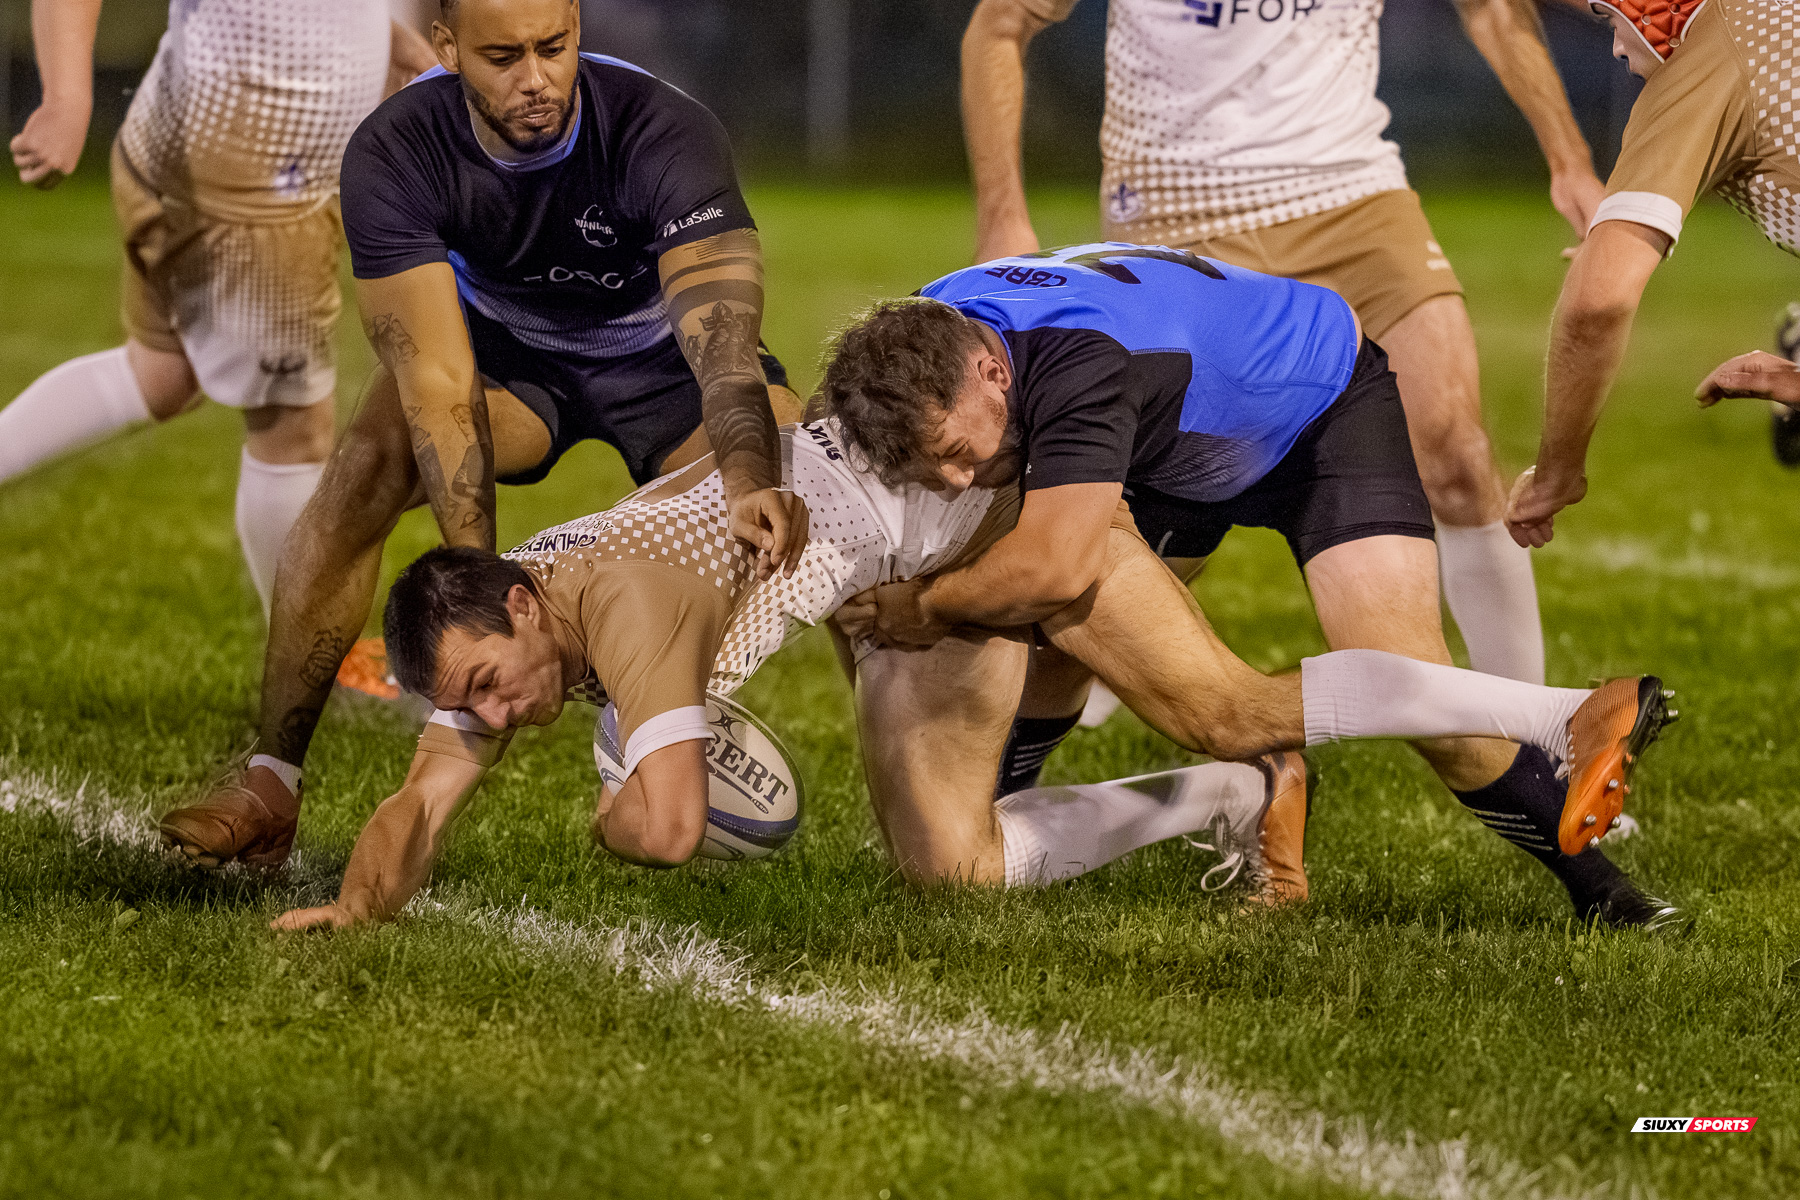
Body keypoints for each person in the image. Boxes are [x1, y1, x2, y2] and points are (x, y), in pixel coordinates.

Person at [272, 418, 1659, 931]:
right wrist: (355, 900)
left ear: (526, 599)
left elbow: (673, 829)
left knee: (1227, 688)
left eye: (498, 682)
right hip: (889, 571)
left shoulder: (619, 610)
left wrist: (612, 786)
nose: (493, 712)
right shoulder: (519, 622)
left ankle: (1557, 709)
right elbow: (424, 798)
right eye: (475, 701)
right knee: (950, 866)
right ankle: (1238, 799)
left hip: (990, 520)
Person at [819, 247, 1684, 930]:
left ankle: (1606, 883)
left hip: (1321, 408)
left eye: (962, 452)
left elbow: (1053, 564)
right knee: (1054, 641)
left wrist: (920, 608)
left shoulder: (1076, 367)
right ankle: (992, 835)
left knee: (1393, 675)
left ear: (991, 375)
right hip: (1181, 438)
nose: (956, 478)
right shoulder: (919, 343)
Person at [157, 0, 806, 870]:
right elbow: (437, 387)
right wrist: (489, 610)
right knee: (367, 461)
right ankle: (270, 780)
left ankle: (969, 795)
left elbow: (722, 346)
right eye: (503, 56)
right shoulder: (396, 151)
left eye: (554, 47)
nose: (535, 79)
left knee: (819, 486)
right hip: (507, 362)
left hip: (666, 367)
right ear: (448, 48)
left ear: (577, 26)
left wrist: (753, 472)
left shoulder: (662, 128)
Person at [961, 0, 1605, 697]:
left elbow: (1493, 10)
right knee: (1147, 513)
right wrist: (1003, 216)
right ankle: (1085, 674)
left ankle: (1539, 741)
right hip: (1179, 211)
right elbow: (999, 25)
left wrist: (1570, 160)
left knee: (1455, 450)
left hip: (1353, 194)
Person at [2, 0, 434, 616]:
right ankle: (307, 661)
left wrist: (369, 36)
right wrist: (67, 97)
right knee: (294, 433)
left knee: (161, 373)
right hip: (246, 186)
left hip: (216, 150)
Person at [1506, 0, 1800, 547]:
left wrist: (1556, 474)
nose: (1616, 45)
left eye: (1609, 17)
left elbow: (1598, 305)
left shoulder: (1705, 57)